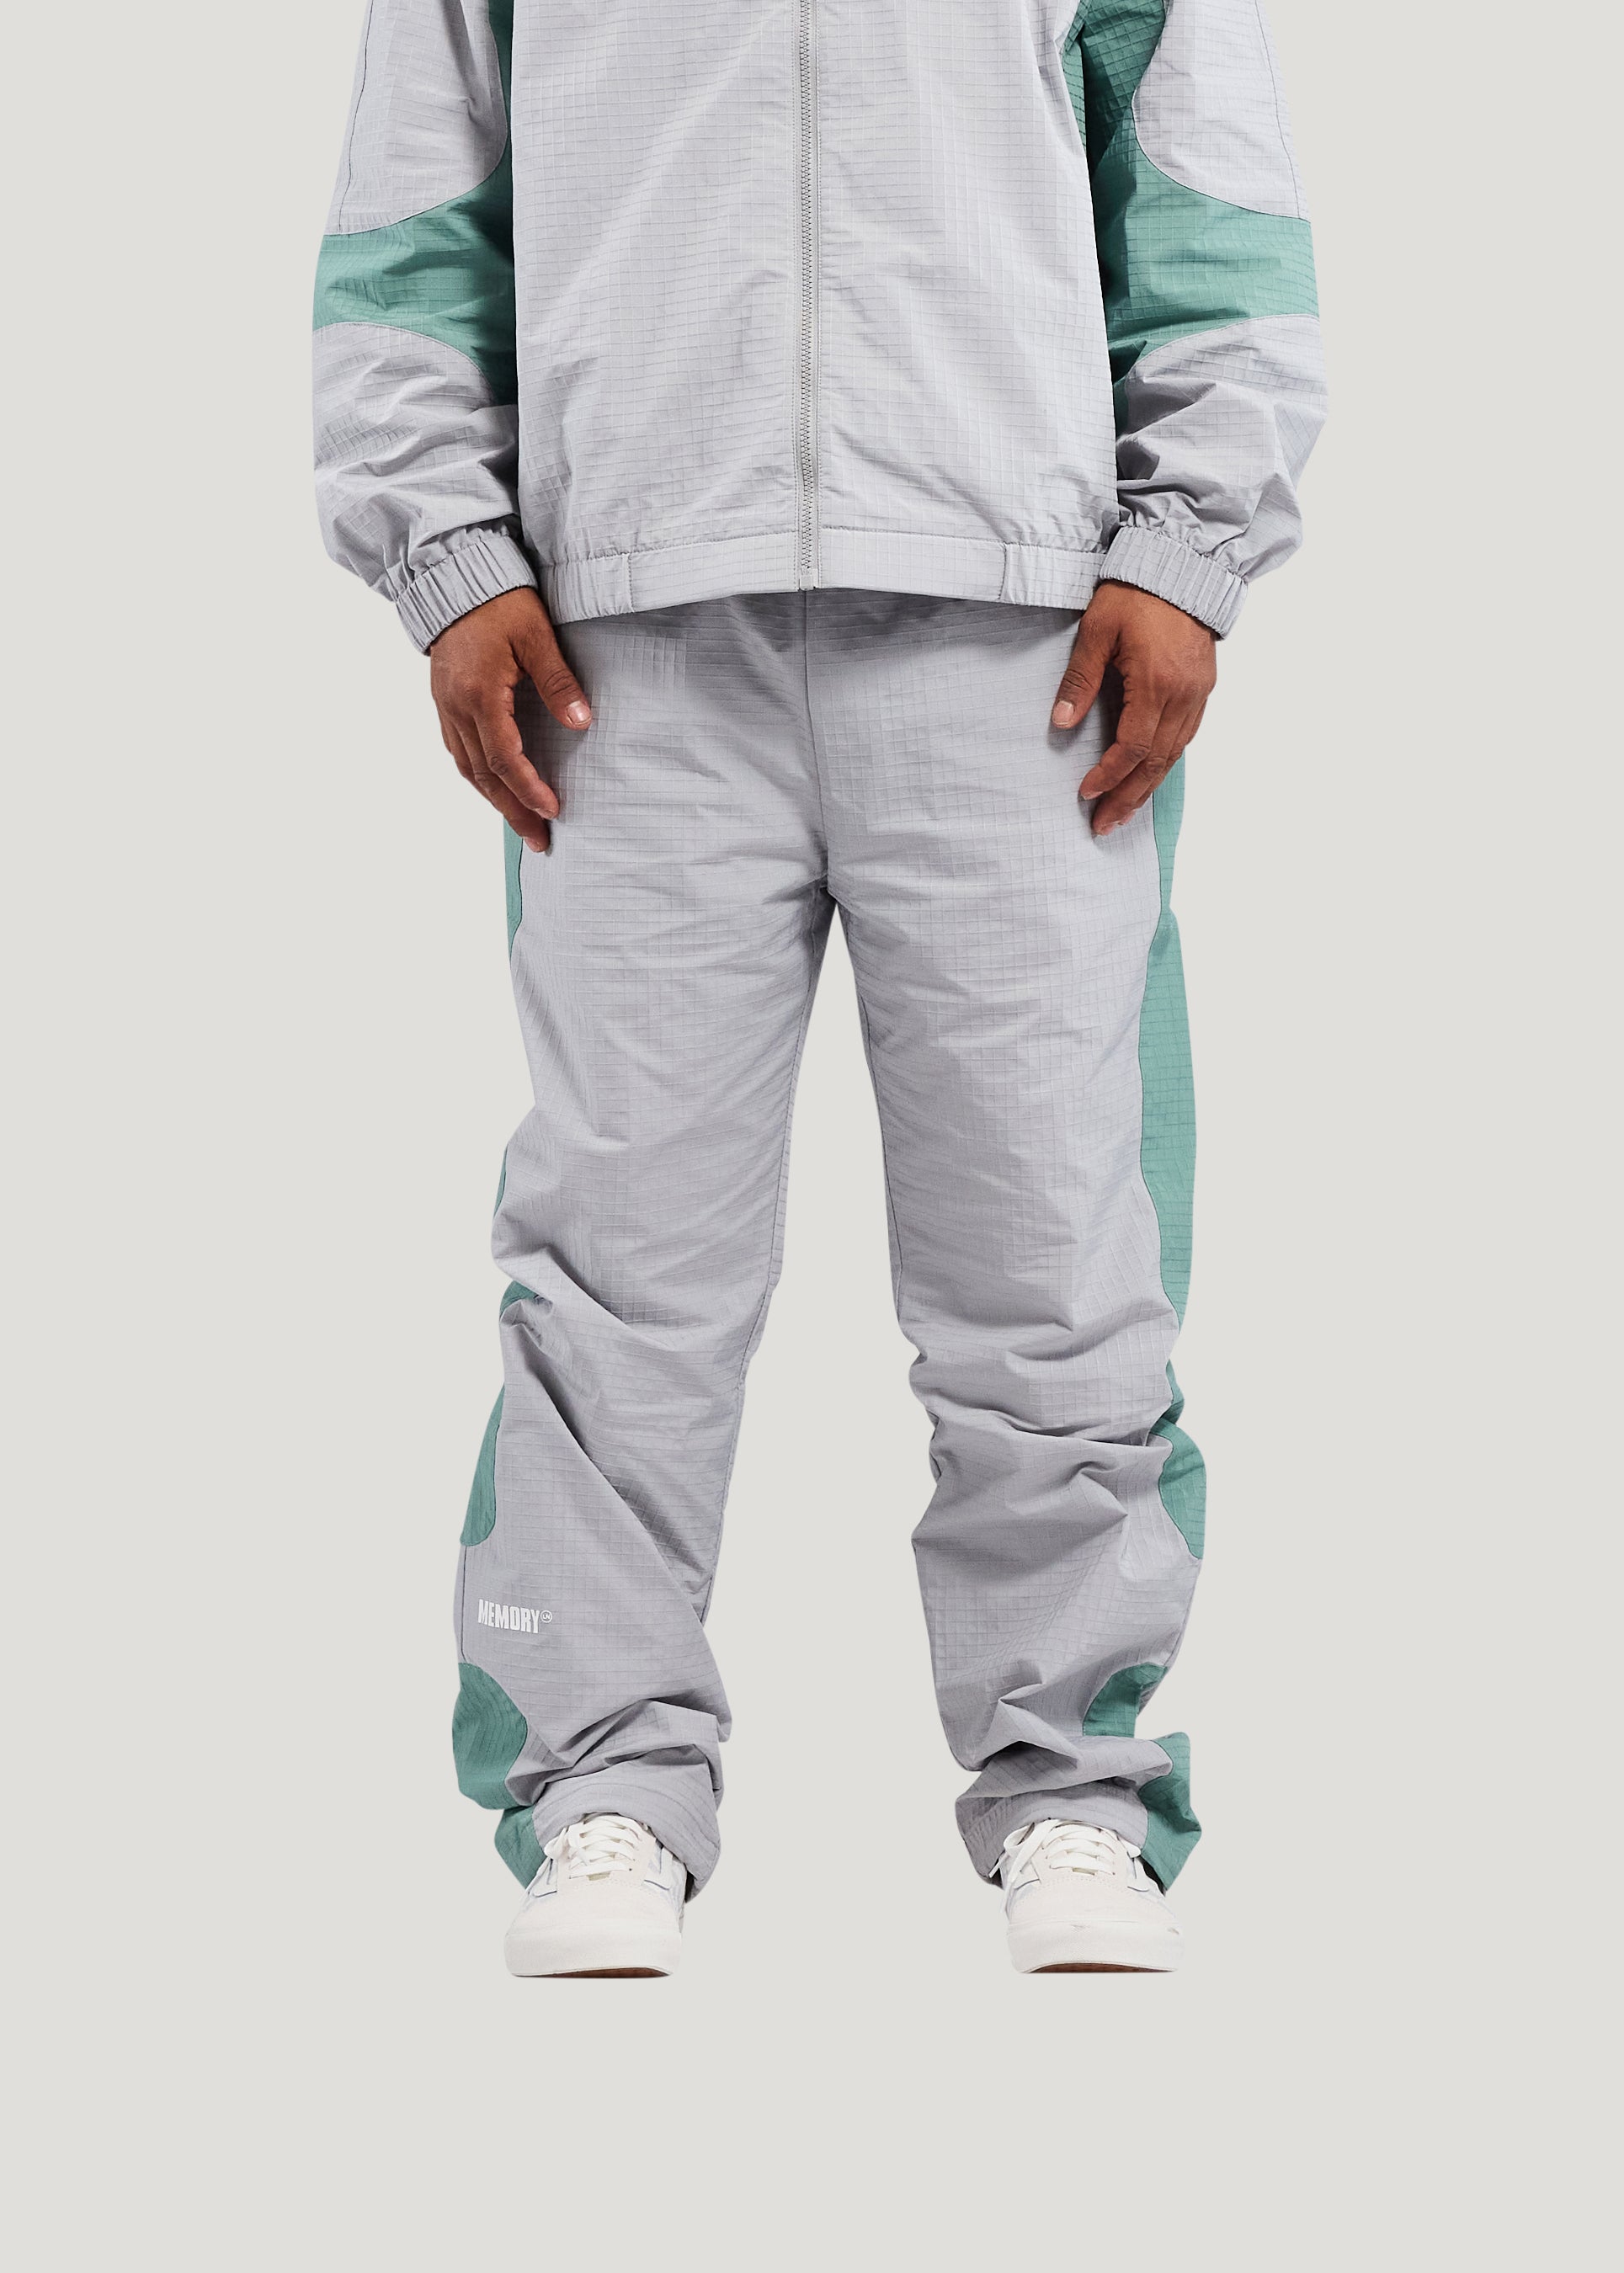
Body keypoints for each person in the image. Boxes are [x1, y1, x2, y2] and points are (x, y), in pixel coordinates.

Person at [314, 0, 1323, 1978]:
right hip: (619, 642)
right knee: (618, 1258)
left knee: (1049, 1242)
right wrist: (447, 554)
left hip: (1019, 634)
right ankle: (599, 1789)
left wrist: (1186, 543)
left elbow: (1204, 193)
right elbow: (415, 214)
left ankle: (1073, 1789)